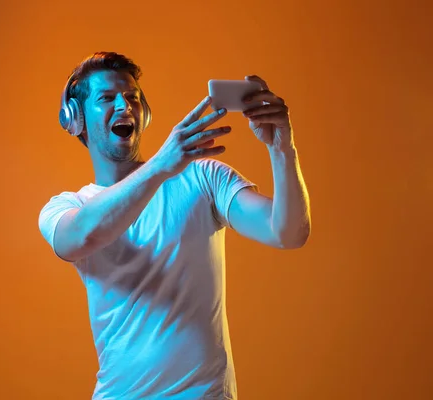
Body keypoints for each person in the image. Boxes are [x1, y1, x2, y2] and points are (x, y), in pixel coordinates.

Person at [38, 51, 311, 400]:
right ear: (76, 120)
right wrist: (160, 167)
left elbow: (288, 233)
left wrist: (281, 147)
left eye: (133, 98)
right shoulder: (66, 207)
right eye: (106, 98)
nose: (124, 106)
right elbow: (78, 238)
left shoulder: (202, 176)